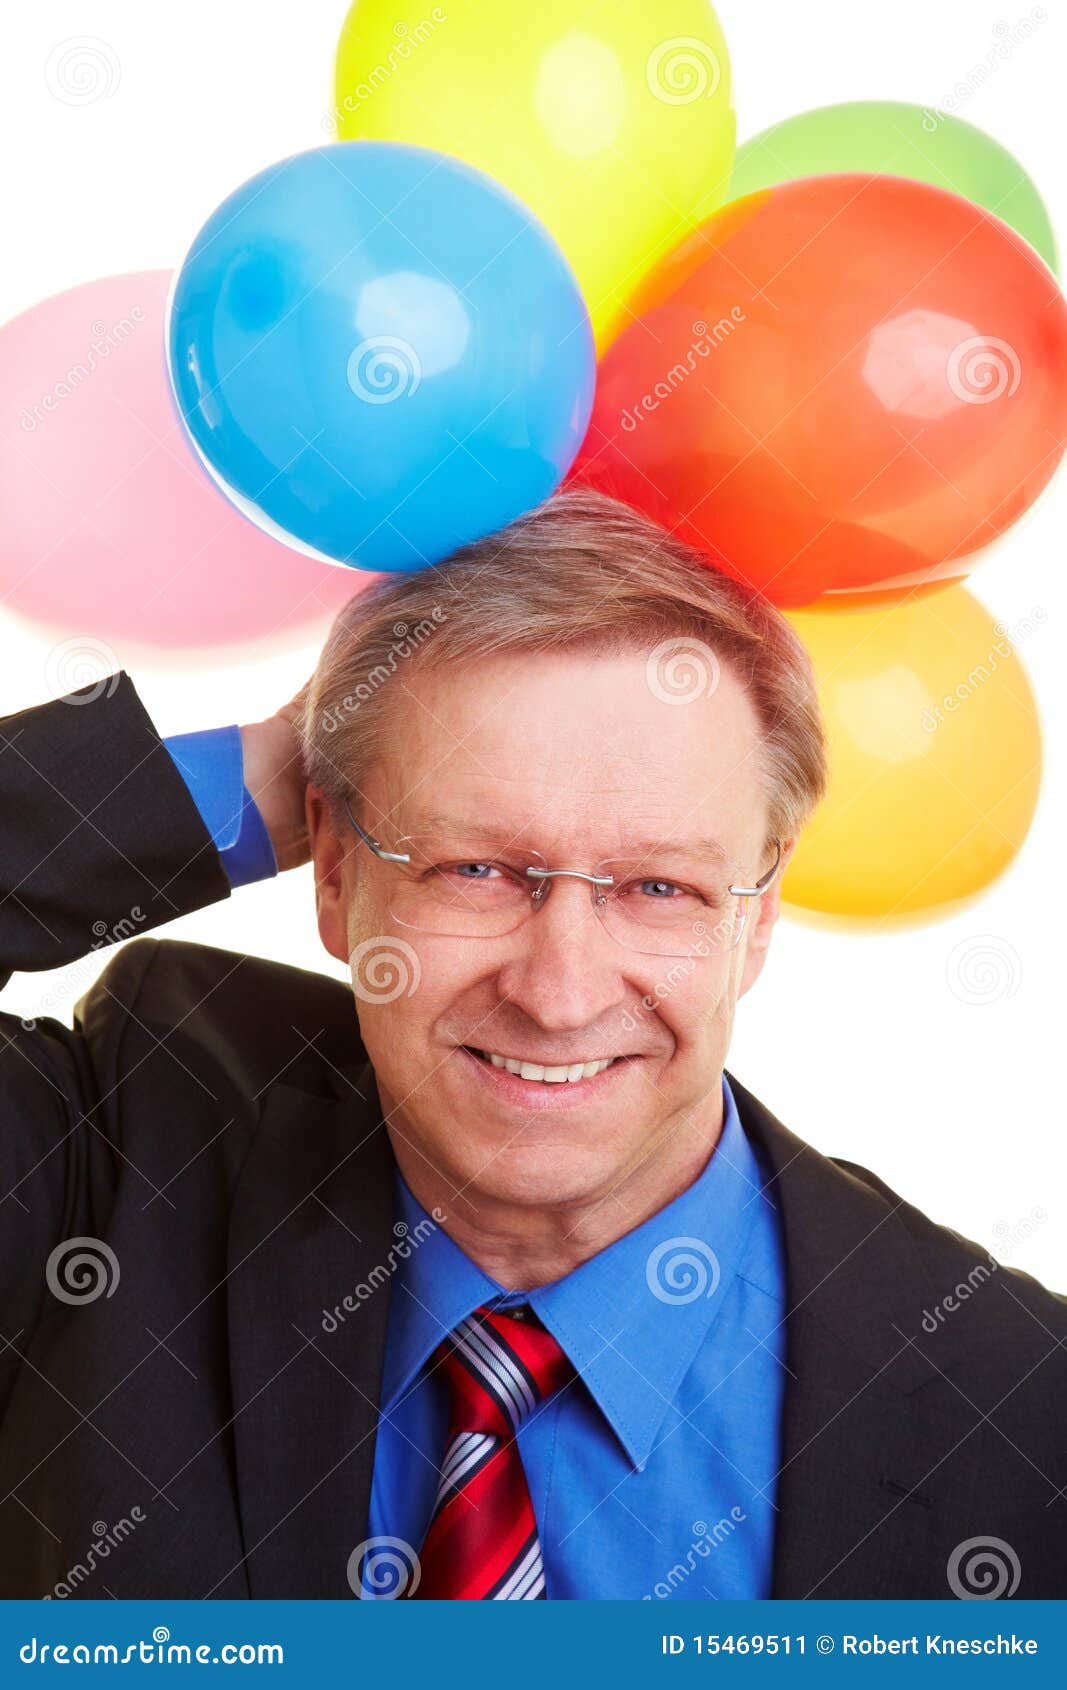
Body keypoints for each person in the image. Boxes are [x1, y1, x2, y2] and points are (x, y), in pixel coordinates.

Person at [1, 489, 1063, 1601]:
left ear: (753, 916)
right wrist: (254, 780)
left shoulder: (1018, 1410)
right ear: (332, 868)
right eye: (476, 868)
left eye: (659, 886)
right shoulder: (117, 1166)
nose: (557, 996)